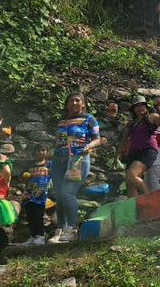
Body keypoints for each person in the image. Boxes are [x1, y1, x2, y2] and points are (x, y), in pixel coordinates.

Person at [49, 92, 103, 243]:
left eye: (77, 100)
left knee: (67, 193)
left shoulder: (89, 119)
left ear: (83, 104)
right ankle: (60, 229)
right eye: (71, 101)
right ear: (66, 104)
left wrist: (88, 147)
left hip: (77, 159)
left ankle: (71, 229)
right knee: (59, 195)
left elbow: (97, 139)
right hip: (59, 160)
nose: (74, 103)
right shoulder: (61, 121)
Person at [121, 96, 160, 197]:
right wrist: (116, 156)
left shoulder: (151, 118)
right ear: (133, 110)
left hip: (147, 150)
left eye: (142, 105)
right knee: (129, 182)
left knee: (132, 174)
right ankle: (133, 208)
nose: (140, 107)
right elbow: (123, 140)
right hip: (133, 153)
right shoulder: (132, 123)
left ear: (146, 106)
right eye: (136, 106)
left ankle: (149, 198)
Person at [21, 144, 51, 246]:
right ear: (34, 152)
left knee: (38, 215)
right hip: (30, 193)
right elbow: (24, 178)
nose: (40, 152)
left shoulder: (49, 165)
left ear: (47, 152)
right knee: (30, 215)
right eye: (38, 150)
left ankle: (41, 236)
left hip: (42, 194)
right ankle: (33, 236)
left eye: (43, 150)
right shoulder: (30, 165)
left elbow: (51, 179)